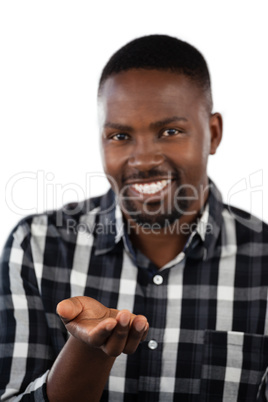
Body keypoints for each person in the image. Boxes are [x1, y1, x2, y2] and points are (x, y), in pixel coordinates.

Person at [1, 34, 268, 402]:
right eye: (120, 135)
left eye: (170, 131)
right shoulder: (37, 246)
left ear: (214, 134)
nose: (143, 160)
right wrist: (86, 353)